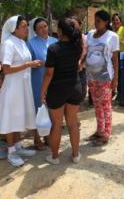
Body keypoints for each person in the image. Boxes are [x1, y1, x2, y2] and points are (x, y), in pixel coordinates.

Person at [0, 15, 42, 167]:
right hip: (13, 88)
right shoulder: (9, 44)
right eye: (23, 26)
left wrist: (30, 64)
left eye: (27, 26)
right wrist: (28, 64)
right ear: (14, 29)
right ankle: (11, 151)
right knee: (11, 118)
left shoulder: (22, 42)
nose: (27, 29)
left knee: (19, 116)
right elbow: (6, 69)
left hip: (22, 86)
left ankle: (17, 146)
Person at [41, 18, 83, 165]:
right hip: (75, 87)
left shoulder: (53, 49)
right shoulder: (77, 46)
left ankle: (54, 157)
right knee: (72, 123)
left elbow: (49, 74)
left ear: (59, 31)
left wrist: (42, 92)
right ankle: (76, 155)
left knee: (57, 124)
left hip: (57, 90)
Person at [85, 10, 119, 146]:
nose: (96, 23)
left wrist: (116, 78)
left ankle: (106, 134)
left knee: (106, 105)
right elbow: (85, 52)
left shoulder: (112, 36)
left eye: (99, 21)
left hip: (105, 77)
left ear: (106, 22)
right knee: (97, 104)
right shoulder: (90, 35)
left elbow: (115, 60)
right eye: (95, 20)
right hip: (92, 76)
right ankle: (99, 130)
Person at [27, 17, 57, 150]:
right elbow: (28, 63)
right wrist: (40, 63)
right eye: (40, 27)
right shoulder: (30, 43)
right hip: (38, 79)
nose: (43, 29)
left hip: (54, 80)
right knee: (38, 108)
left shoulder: (54, 41)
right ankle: (37, 138)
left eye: (45, 26)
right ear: (35, 30)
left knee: (51, 107)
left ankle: (48, 136)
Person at [71, 16, 89, 106]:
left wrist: (81, 63)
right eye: (71, 24)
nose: (72, 26)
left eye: (74, 24)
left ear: (80, 25)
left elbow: (87, 52)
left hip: (82, 68)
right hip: (71, 69)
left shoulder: (85, 38)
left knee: (83, 89)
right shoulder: (68, 38)